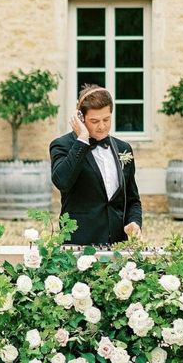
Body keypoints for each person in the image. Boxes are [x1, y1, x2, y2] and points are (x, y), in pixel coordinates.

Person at [49, 84, 142, 245]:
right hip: (79, 244)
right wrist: (82, 139)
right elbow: (62, 182)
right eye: (94, 121)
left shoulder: (123, 149)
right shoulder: (62, 145)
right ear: (80, 118)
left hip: (118, 245)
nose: (102, 126)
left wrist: (134, 222)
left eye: (106, 119)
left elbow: (132, 199)